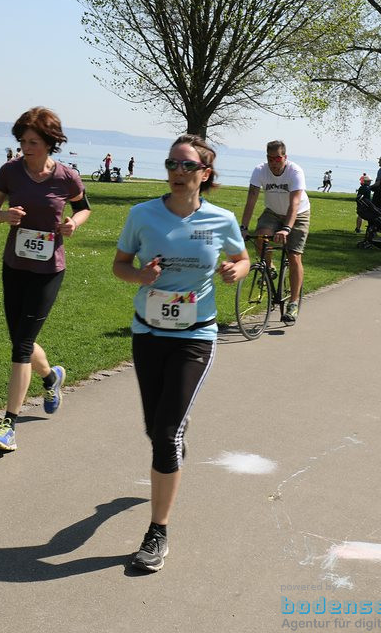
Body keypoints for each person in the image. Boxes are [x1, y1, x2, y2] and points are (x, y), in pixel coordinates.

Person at [112, 134, 249, 572]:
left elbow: (242, 258)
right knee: (155, 430)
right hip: (148, 332)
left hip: (195, 335)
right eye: (172, 163)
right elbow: (119, 265)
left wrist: (234, 270)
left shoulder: (222, 218)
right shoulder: (142, 215)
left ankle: (157, 531)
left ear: (204, 174)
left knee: (166, 433)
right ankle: (173, 432)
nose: (177, 171)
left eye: (187, 165)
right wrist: (139, 276)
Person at [0, 107, 91, 453]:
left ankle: (8, 426)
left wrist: (75, 223)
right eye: (22, 141)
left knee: (21, 346)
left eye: (33, 142)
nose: (26, 147)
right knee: (20, 339)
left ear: (49, 143)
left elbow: (84, 206)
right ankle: (51, 377)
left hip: (49, 270)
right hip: (14, 265)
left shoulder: (66, 177)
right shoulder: (10, 172)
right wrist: (5, 216)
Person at [239, 140, 309, 323]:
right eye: (270, 158)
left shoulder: (295, 171)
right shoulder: (259, 170)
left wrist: (287, 228)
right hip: (272, 212)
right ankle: (269, 267)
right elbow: (251, 199)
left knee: (294, 256)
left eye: (277, 158)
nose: (274, 162)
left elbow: (294, 204)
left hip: (298, 213)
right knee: (261, 237)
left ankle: (293, 303)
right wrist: (243, 227)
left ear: (285, 157)